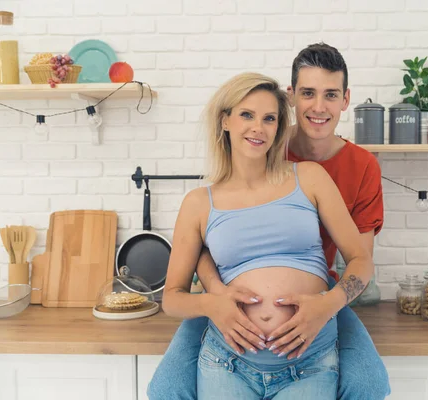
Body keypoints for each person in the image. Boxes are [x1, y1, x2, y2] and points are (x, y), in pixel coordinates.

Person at [148, 44, 391, 399]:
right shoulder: (211, 193)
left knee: (368, 384)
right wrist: (214, 297)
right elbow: (200, 251)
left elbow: (361, 258)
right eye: (308, 93)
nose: (319, 107)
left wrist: (325, 305)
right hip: (229, 347)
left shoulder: (330, 172)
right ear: (293, 98)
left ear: (345, 100)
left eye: (330, 95)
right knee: (166, 388)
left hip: (317, 320)